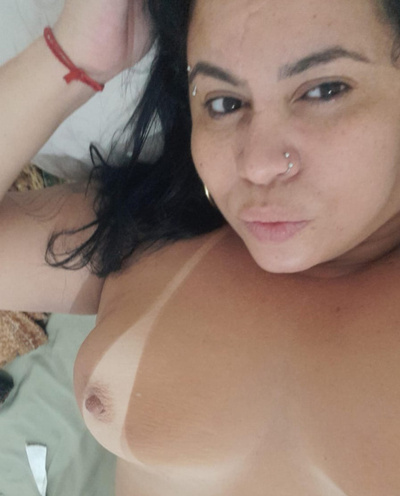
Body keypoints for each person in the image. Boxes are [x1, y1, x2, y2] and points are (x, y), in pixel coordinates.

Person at [2, 0, 400, 494]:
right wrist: (75, 58)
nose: (257, 165)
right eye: (224, 103)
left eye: (323, 91)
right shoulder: (156, 233)